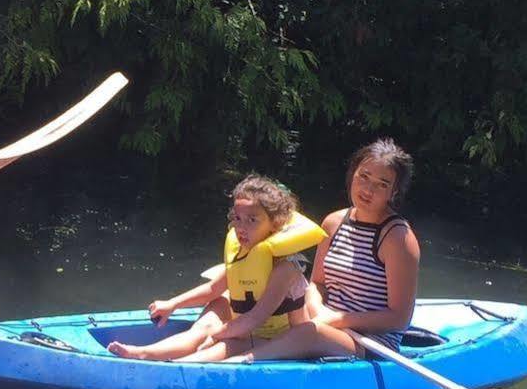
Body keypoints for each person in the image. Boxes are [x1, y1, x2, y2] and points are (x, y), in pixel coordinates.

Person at [106, 175, 324, 362]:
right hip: (245, 330)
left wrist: (217, 334)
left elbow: (255, 318)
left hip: (277, 341)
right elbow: (213, 288)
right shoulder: (243, 254)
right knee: (212, 313)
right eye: (237, 219)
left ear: (275, 223)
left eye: (252, 220)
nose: (241, 227)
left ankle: (180, 366)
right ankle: (144, 354)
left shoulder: (287, 267)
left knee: (226, 344)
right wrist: (172, 304)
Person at [244, 138, 421, 362]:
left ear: (393, 192)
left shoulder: (397, 237)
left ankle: (242, 363)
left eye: (382, 184)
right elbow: (317, 283)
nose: (368, 189)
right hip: (324, 322)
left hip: (370, 341)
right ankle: (208, 357)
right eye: (363, 176)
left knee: (308, 333)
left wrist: (335, 320)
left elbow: (399, 318)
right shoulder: (333, 222)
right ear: (352, 174)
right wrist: (316, 307)